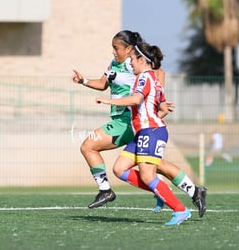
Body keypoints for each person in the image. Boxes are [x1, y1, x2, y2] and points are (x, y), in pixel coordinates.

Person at [73, 30, 207, 218]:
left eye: (116, 48)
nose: (113, 51)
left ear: (129, 49)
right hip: (129, 122)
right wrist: (84, 81)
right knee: (153, 166)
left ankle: (106, 190)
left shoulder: (134, 63)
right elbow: (104, 84)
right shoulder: (114, 63)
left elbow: (157, 73)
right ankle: (192, 192)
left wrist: (157, 99)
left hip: (127, 121)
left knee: (88, 146)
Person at [96, 42, 191, 225]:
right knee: (119, 169)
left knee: (148, 176)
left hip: (151, 131)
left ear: (142, 59)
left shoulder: (144, 77)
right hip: (145, 131)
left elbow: (136, 99)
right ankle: (161, 192)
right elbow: (162, 105)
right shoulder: (152, 78)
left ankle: (180, 210)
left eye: (132, 59)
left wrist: (109, 101)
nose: (130, 63)